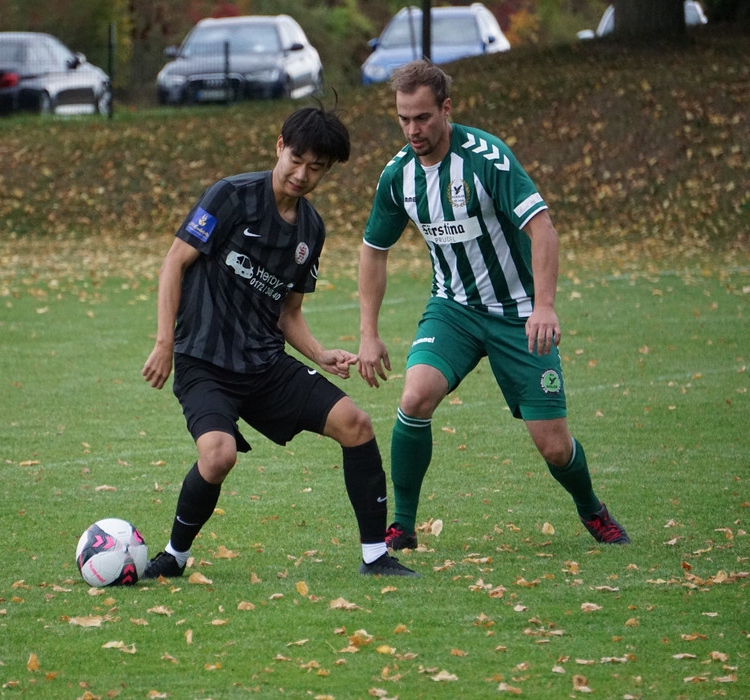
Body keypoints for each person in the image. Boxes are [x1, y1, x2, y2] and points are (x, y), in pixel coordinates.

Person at [357, 61, 629, 550]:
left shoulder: (487, 158)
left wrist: (544, 306)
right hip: (454, 309)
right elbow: (374, 250)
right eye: (403, 119)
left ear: (446, 109)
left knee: (554, 445)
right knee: (414, 398)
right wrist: (368, 333)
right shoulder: (399, 176)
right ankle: (403, 526)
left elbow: (542, 228)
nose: (413, 130)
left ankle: (592, 509)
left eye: (423, 117)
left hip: (520, 312)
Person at [141, 106, 419, 580]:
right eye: (296, 159)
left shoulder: (311, 230)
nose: (302, 174)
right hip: (204, 361)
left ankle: (376, 557)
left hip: (265, 365)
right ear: (279, 146)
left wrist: (321, 354)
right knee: (219, 455)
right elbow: (174, 263)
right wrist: (165, 341)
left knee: (356, 424)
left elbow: (289, 312)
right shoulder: (231, 196)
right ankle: (174, 556)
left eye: (317, 167)